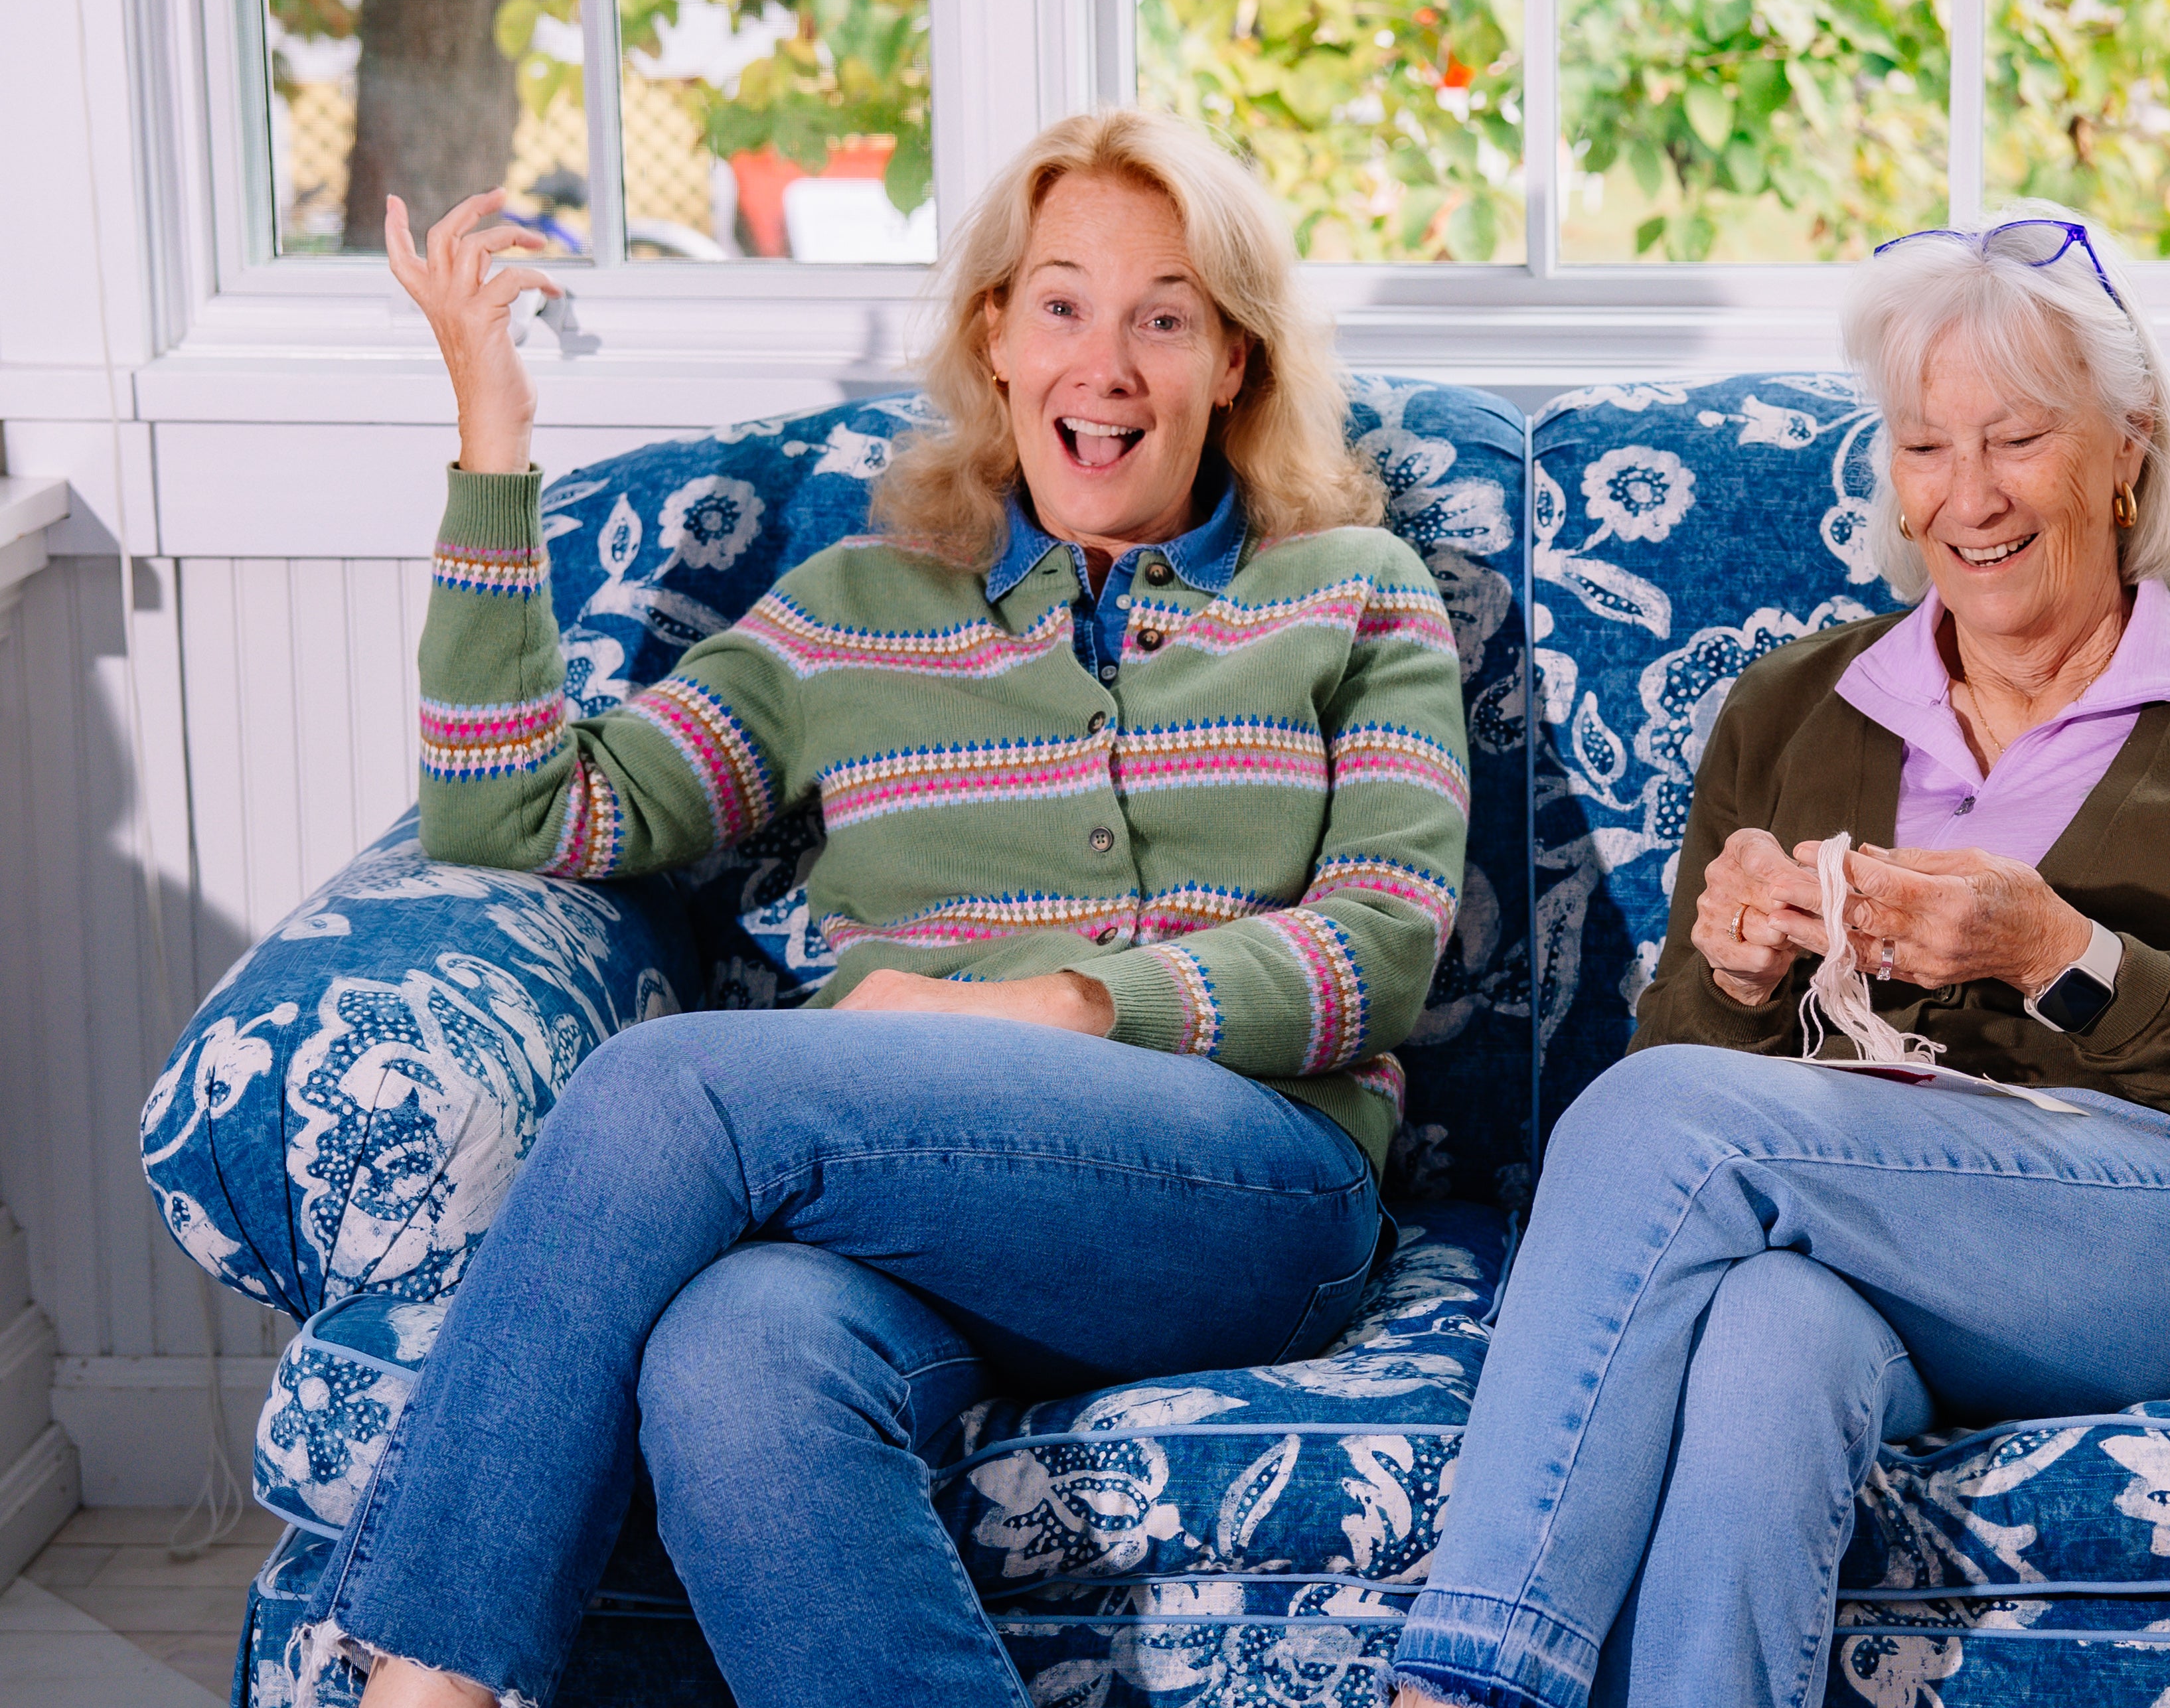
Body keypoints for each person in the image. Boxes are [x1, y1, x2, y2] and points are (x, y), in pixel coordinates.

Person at [308, 108, 1471, 1708]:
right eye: (1061, 303)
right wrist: (493, 442)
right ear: (994, 336)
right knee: (734, 1362)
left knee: (676, 1086)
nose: (1107, 363)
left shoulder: (1352, 586)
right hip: (921, 1222)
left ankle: (417, 1687)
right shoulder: (851, 612)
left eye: (1165, 316)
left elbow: (1379, 953)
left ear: (1234, 365)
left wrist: (1050, 1007)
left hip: (1249, 1191)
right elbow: (520, 810)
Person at [1388, 210, 2170, 1708]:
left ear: (2126, 449)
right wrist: (1734, 974)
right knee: (1764, 1342)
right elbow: (1689, 1075)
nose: (1969, 496)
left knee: (1647, 1127)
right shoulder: (1791, 709)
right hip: (1881, 1243)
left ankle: (1464, 1679)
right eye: (1925, 447)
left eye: (2014, 438)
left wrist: (2065, 957)